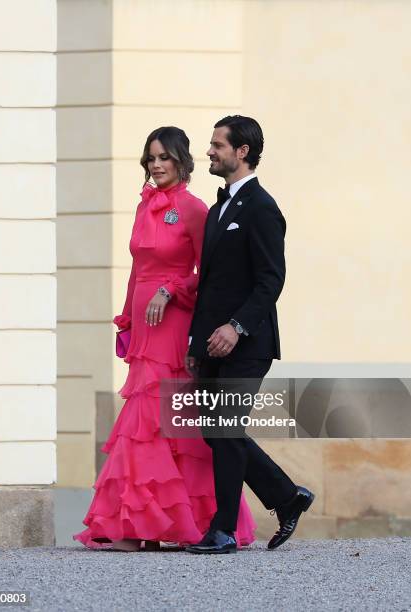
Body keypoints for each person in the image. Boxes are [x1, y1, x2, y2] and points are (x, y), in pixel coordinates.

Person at [74, 126, 256, 552]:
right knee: (146, 424)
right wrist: (126, 320)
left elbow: (204, 276)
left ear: (181, 161)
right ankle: (143, 523)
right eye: (150, 159)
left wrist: (168, 290)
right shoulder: (144, 207)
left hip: (174, 323)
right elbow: (138, 267)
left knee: (161, 422)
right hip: (144, 326)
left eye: (164, 158)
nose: (156, 166)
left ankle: (154, 525)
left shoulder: (193, 209)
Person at [185, 115, 314, 555]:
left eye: (218, 145)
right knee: (215, 429)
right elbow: (209, 284)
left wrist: (236, 327)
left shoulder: (262, 208)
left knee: (224, 428)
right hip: (211, 344)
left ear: (242, 151)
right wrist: (194, 341)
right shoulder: (219, 210)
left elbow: (270, 280)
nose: (210, 151)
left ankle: (222, 530)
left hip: (248, 343)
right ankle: (286, 496)